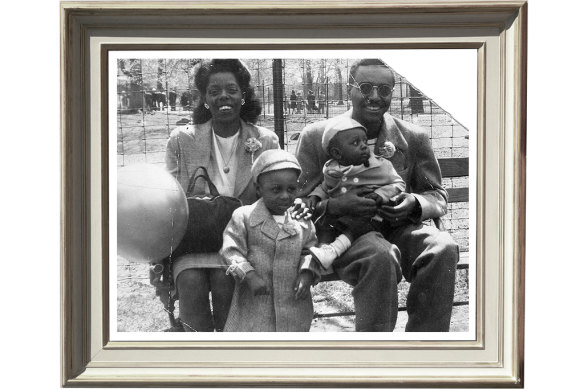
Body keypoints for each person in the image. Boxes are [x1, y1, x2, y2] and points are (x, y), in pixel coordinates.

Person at [295, 58, 459, 332]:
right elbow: (297, 199)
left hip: (399, 227)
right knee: (380, 255)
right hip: (346, 235)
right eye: (366, 87)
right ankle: (374, 352)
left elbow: (436, 194)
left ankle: (425, 348)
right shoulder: (317, 136)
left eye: (384, 90)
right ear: (350, 89)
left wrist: (414, 203)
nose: (374, 97)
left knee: (442, 246)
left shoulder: (411, 137)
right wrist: (334, 206)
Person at [151, 59, 280, 332]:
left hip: (243, 241)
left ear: (243, 96)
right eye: (214, 90)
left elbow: (276, 197)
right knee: (190, 282)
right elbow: (169, 200)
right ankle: (199, 360)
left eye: (231, 89)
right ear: (205, 99)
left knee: (225, 280)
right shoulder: (181, 140)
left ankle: (229, 360)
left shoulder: (265, 140)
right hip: (195, 240)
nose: (223, 96)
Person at [220, 150, 321, 332]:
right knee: (256, 343)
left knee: (290, 346)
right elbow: (231, 250)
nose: (285, 196)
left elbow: (311, 250)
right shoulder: (245, 217)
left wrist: (307, 273)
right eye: (276, 189)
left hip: (293, 298)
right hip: (256, 298)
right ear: (259, 189)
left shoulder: (301, 219)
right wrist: (248, 274)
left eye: (291, 189)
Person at [303, 116, 405, 271]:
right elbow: (325, 186)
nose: (365, 146)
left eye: (365, 141)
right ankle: (321, 254)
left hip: (371, 217)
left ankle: (333, 251)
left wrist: (381, 194)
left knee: (358, 225)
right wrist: (315, 196)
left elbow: (399, 183)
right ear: (337, 154)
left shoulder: (380, 166)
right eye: (356, 143)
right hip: (340, 217)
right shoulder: (332, 169)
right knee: (326, 225)